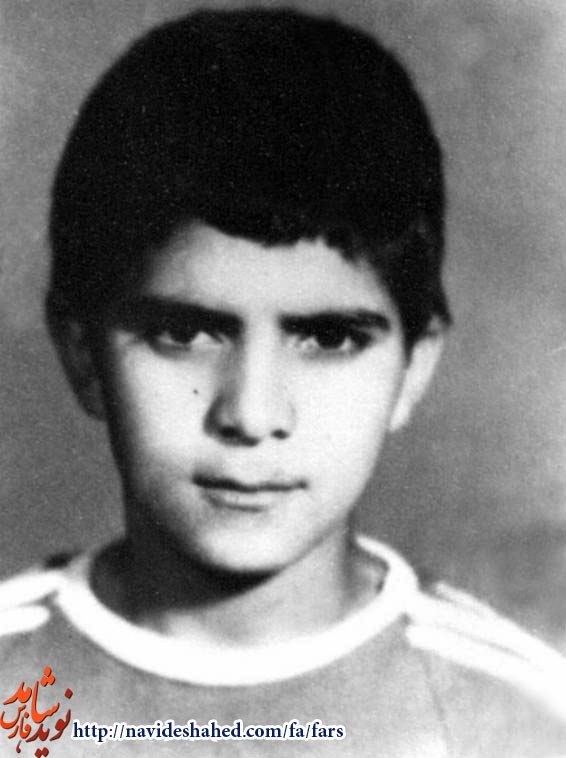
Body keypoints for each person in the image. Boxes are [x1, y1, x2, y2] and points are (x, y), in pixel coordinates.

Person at [0, 8, 564, 757]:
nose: (252, 412)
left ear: (414, 365)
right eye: (184, 334)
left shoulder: (522, 723)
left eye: (329, 338)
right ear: (81, 352)